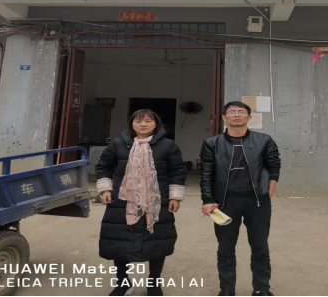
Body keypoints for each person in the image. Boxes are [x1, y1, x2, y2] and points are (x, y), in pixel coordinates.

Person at [96, 109, 186, 296]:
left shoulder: (168, 145)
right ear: (131, 124)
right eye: (138, 121)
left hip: (156, 202)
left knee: (157, 242)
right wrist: (105, 189)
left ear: (156, 124)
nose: (143, 124)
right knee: (119, 242)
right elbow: (103, 166)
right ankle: (123, 283)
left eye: (148, 121)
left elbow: (177, 171)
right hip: (122, 201)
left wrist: (175, 197)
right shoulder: (117, 144)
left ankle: (154, 283)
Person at [200, 101, 281, 297]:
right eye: (231, 112)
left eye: (241, 112)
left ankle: (261, 289)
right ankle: (227, 290)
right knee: (225, 249)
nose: (236, 115)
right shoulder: (212, 143)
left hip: (257, 203)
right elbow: (206, 174)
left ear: (249, 117)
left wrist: (269, 192)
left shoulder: (264, 140)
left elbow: (274, 166)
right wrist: (208, 199)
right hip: (225, 203)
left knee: (260, 247)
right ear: (223, 117)